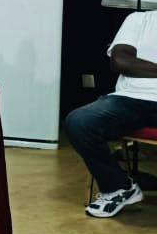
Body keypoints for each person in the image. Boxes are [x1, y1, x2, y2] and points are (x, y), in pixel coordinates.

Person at [66, 11, 157, 217]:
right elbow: (120, 61)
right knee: (79, 121)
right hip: (130, 99)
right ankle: (118, 187)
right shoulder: (140, 19)